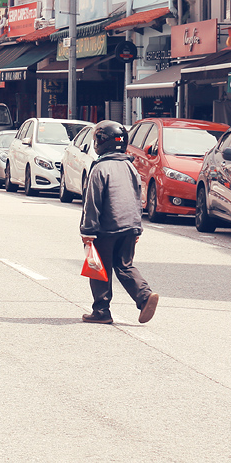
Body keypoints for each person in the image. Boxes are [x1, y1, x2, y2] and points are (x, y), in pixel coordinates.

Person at [80, 120, 158, 325]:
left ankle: (101, 311)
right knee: (124, 265)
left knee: (99, 268)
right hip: (129, 227)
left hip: (106, 228)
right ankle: (144, 296)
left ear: (101, 142)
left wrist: (88, 230)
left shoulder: (100, 168)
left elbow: (92, 202)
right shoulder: (130, 167)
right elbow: (136, 198)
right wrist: (136, 228)